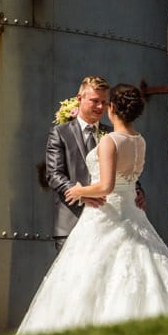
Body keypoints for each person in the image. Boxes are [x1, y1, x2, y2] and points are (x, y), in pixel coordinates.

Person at [17, 84, 168, 335]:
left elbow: (106, 186)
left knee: (89, 276)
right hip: (130, 213)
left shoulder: (109, 140)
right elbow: (126, 179)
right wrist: (134, 193)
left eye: (105, 103)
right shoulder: (140, 141)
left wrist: (79, 191)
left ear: (112, 108)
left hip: (105, 214)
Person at [45, 76, 144, 250]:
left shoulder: (112, 135)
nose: (100, 107)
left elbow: (124, 169)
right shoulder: (60, 133)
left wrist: (137, 190)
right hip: (71, 221)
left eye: (104, 102)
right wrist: (81, 194)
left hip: (112, 222)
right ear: (79, 98)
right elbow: (54, 174)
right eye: (95, 101)